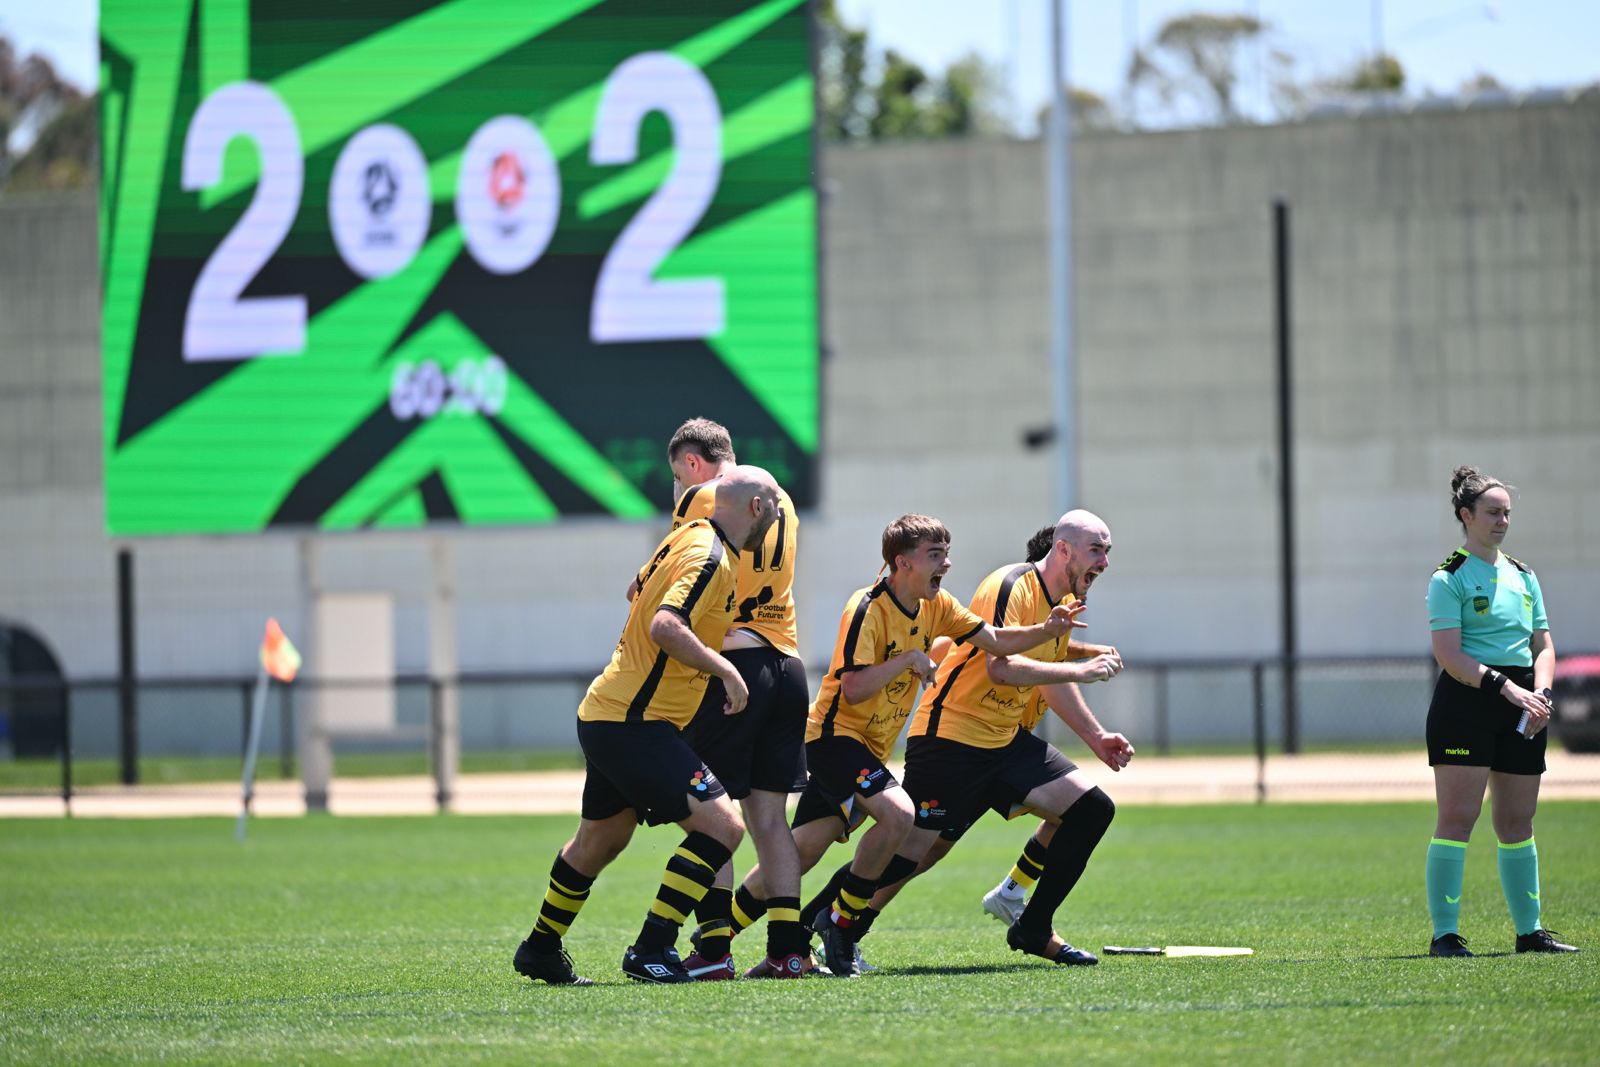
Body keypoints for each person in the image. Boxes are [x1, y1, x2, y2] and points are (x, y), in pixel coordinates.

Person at [733, 513, 1086, 978]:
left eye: (947, 553)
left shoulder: (937, 606)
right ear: (902, 563)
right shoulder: (866, 608)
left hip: (869, 748)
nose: (947, 563)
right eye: (935, 555)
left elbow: (997, 640)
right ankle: (839, 928)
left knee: (802, 852)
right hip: (834, 739)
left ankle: (718, 934)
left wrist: (1049, 629)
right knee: (900, 816)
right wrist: (908, 660)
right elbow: (854, 688)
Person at [511, 465, 782, 985]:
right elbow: (663, 624)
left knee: (602, 840)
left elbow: (636, 591)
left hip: (611, 713)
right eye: (774, 506)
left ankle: (541, 948)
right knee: (724, 827)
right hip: (635, 722)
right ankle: (652, 948)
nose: (776, 517)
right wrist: (724, 668)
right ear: (755, 508)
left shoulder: (684, 538)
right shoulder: (711, 557)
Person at [866, 510, 1128, 969]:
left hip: (1003, 740)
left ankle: (1031, 923)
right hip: (953, 736)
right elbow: (1001, 667)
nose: (1104, 562)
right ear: (1061, 549)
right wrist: (1079, 668)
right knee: (920, 849)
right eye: (1096, 550)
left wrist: (1096, 736)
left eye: (1107, 551)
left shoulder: (1061, 607)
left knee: (1089, 809)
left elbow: (1050, 673)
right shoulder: (1013, 586)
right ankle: (837, 925)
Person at [657, 419, 813, 980]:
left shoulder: (703, 498)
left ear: (695, 465)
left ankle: (714, 949)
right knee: (770, 820)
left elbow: (665, 576)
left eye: (679, 476)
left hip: (734, 667)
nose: (678, 489)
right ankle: (788, 951)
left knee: (714, 815)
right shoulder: (783, 500)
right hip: (789, 665)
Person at [1424, 466, 1577, 957]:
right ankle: (1445, 935)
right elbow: (1449, 655)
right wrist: (1508, 690)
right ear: (1466, 516)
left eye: (1507, 512)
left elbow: (1544, 646)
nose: (1502, 521)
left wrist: (1543, 695)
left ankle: (1529, 933)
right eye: (1493, 512)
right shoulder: (1448, 576)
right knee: (1458, 819)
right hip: (1468, 704)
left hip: (1525, 704)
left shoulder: (1525, 575)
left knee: (1518, 822)